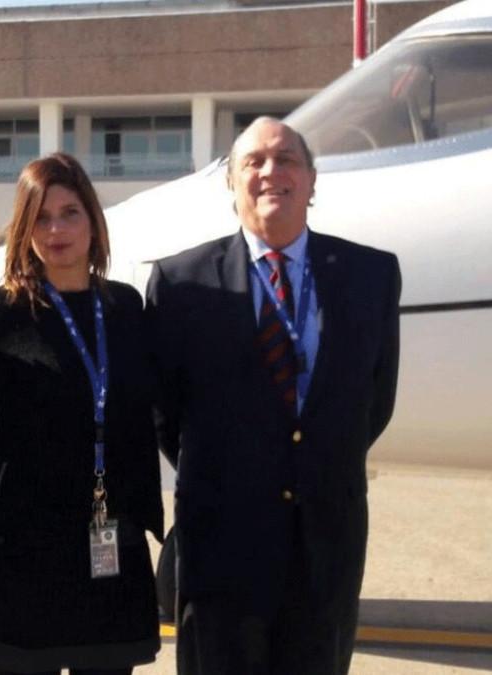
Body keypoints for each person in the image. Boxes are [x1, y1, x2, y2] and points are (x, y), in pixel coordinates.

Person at [146, 117, 400, 675]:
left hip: (325, 546)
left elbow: (373, 403)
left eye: (286, 160)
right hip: (221, 549)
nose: (270, 172)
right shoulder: (181, 283)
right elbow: (166, 415)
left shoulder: (371, 276)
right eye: (253, 162)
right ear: (231, 185)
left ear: (312, 180)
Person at [0, 153, 164, 675]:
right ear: (24, 228)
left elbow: (153, 407)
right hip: (21, 556)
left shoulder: (127, 309)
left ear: (93, 220)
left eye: (70, 213)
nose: (56, 229)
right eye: (41, 217)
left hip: (108, 547)